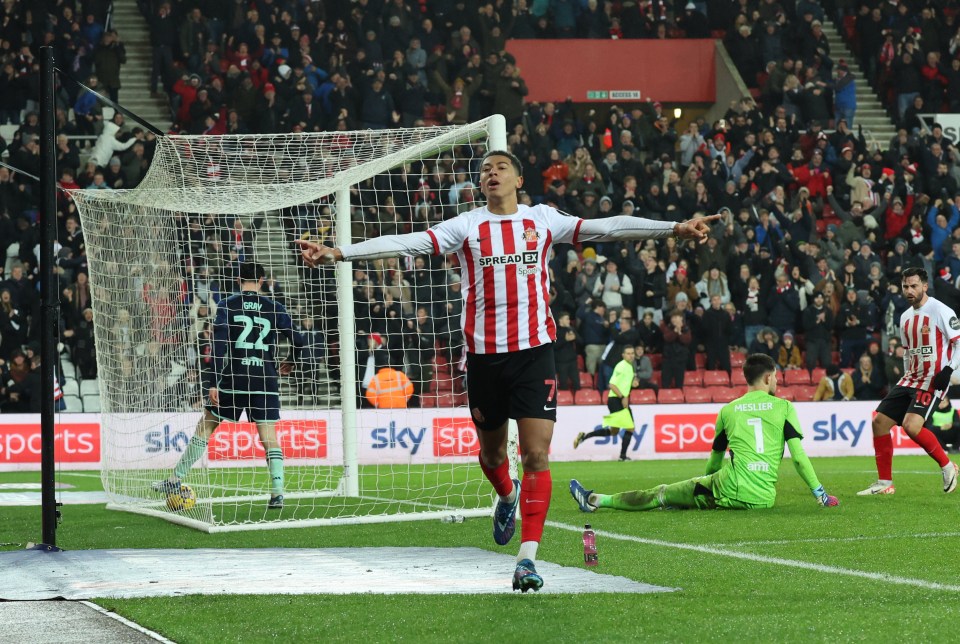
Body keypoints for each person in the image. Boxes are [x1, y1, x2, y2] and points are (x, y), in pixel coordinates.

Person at [296, 149, 719, 592]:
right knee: (495, 455)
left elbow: (608, 228)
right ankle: (506, 495)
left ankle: (527, 558)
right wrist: (338, 252)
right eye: (484, 170)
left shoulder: (543, 219)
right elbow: (408, 241)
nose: (490, 173)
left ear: (519, 178)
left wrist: (674, 228)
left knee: (536, 454)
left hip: (535, 354)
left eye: (500, 167)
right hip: (483, 360)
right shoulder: (466, 226)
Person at [569, 354, 839, 513]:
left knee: (661, 494)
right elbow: (799, 458)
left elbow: (714, 461)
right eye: (776, 377)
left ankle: (596, 500)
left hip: (727, 489)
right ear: (768, 378)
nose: (777, 381)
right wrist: (821, 495)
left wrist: (704, 484)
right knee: (684, 498)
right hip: (763, 500)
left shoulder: (729, 410)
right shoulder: (785, 408)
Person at [153, 263, 305, 509]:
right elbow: (299, 340)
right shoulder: (274, 307)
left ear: (237, 279)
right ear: (262, 280)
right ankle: (277, 492)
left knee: (207, 425)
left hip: (234, 377)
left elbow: (219, 345)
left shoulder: (227, 304)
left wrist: (213, 382)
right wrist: (291, 360)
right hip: (264, 379)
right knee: (268, 437)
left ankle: (175, 479)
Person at [858, 267, 959, 496]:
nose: (909, 290)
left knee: (911, 426)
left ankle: (948, 466)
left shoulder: (940, 310)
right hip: (909, 378)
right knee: (879, 423)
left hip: (933, 379)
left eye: (914, 286)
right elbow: (908, 352)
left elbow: (958, 343)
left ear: (925, 286)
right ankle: (885, 483)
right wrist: (903, 376)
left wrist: (948, 369)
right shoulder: (905, 317)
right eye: (905, 286)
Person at [573, 345, 640, 461]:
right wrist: (623, 397)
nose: (631, 355)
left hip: (617, 400)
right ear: (623, 355)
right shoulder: (621, 366)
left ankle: (584, 436)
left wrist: (633, 384)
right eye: (628, 353)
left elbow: (622, 384)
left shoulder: (629, 367)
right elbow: (612, 384)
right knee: (630, 428)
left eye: (632, 353)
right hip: (617, 400)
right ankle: (623, 456)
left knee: (614, 431)